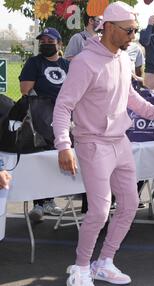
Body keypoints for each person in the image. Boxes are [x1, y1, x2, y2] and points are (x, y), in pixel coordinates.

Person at [53, 1, 154, 286]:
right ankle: (81, 268)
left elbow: (129, 96)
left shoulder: (122, 58)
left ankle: (105, 261)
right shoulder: (85, 62)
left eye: (135, 29)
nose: (133, 35)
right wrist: (63, 145)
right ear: (108, 27)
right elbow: (63, 105)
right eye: (129, 30)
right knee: (98, 211)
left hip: (120, 142)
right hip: (93, 143)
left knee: (130, 204)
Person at [19, 27, 69, 222]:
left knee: (57, 160)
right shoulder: (34, 63)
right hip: (41, 117)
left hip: (64, 118)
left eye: (50, 41)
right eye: (43, 41)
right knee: (41, 160)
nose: (46, 44)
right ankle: (39, 204)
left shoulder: (67, 65)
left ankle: (50, 201)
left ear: (59, 44)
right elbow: (25, 90)